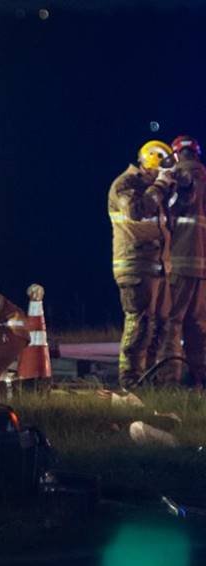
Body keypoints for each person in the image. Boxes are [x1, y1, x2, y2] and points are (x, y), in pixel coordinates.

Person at [109, 140, 176, 388]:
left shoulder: (151, 188)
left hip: (157, 266)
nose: (164, 174)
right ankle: (129, 381)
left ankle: (149, 378)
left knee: (158, 324)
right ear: (152, 162)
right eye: (162, 168)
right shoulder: (125, 184)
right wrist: (159, 185)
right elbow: (136, 212)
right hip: (134, 265)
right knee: (138, 323)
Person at [158, 136, 206, 385]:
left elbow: (170, 210)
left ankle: (170, 380)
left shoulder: (176, 176)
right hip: (202, 266)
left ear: (176, 154)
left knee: (172, 322)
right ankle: (200, 378)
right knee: (198, 325)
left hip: (180, 261)